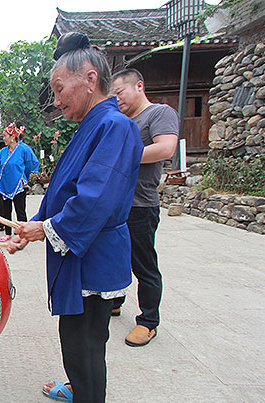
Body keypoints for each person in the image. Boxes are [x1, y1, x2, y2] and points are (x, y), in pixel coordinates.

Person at [7, 32, 143, 403]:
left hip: (94, 254)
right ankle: (78, 385)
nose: (57, 99)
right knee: (75, 331)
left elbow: (95, 198)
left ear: (89, 78)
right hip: (82, 250)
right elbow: (62, 191)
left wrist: (47, 229)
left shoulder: (114, 126)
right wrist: (33, 225)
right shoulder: (93, 124)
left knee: (85, 339)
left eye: (59, 89)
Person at [111, 68, 179, 347]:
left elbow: (166, 149)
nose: (116, 99)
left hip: (141, 205)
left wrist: (123, 154)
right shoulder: (121, 121)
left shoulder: (158, 114)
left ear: (139, 86)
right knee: (115, 257)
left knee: (144, 264)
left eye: (119, 93)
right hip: (117, 204)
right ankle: (114, 300)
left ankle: (148, 321)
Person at [0, 122, 39, 242]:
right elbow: (1, 167)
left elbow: (31, 164)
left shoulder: (24, 149)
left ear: (12, 137)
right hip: (5, 184)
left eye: (5, 136)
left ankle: (23, 233)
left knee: (20, 210)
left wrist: (25, 177)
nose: (3, 138)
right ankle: (8, 233)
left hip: (19, 185)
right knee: (6, 210)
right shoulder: (3, 152)